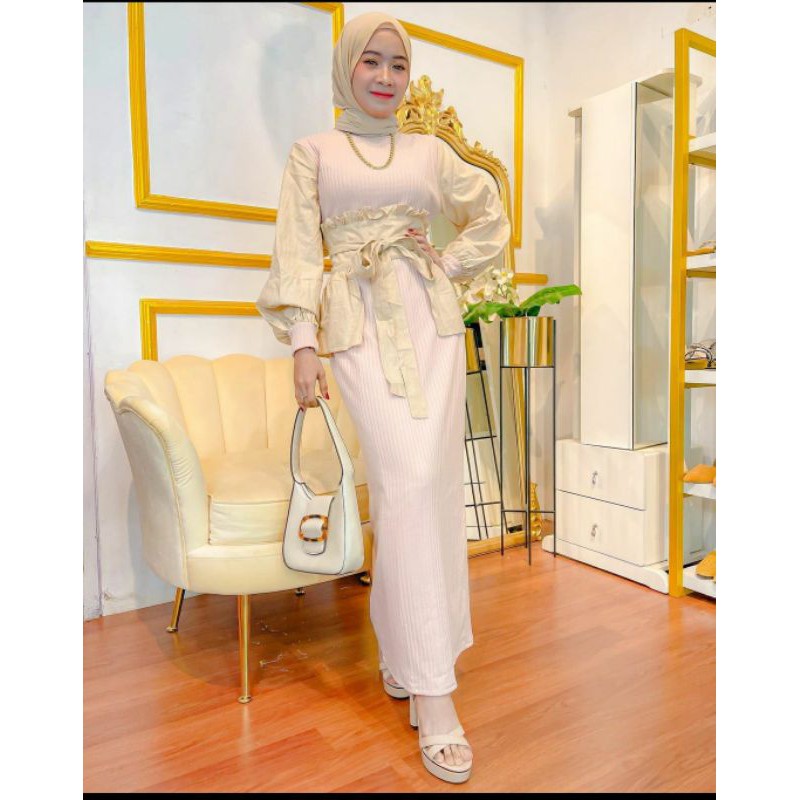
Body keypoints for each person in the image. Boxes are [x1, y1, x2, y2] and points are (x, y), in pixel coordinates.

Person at [256, 11, 511, 784]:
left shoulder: (429, 152)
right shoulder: (312, 153)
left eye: (398, 64)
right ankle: (431, 687)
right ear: (347, 67)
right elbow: (296, 253)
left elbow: (491, 215)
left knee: (426, 490)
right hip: (358, 326)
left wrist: (448, 263)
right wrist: (303, 344)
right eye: (371, 61)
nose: (386, 76)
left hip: (431, 323)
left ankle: (413, 663)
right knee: (404, 481)